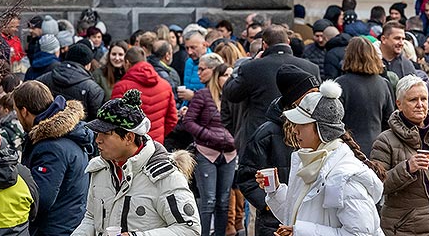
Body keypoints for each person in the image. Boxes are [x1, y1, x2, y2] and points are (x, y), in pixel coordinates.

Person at [256, 79, 384, 236]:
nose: (295, 130)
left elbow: (361, 234)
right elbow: (297, 215)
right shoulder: (309, 164)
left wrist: (299, 232)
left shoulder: (345, 176)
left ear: (321, 128)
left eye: (302, 124)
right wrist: (275, 190)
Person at [72, 90, 200, 236]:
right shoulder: (100, 168)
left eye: (105, 134)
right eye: (97, 133)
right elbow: (91, 218)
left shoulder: (166, 177)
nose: (98, 140)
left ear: (128, 137)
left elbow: (189, 230)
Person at [237, 65, 319, 236]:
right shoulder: (267, 133)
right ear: (296, 100)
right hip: (273, 221)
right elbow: (247, 176)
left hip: (310, 219)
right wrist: (269, 203)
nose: (316, 99)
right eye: (311, 94)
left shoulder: (320, 129)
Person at [371, 75, 429, 236]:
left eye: (424, 99)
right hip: (405, 228)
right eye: (413, 100)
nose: (420, 105)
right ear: (399, 104)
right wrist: (407, 168)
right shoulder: (385, 140)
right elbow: (376, 186)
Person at [13, 81, 94, 236]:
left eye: (16, 110)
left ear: (24, 111)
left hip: (55, 230)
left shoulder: (50, 148)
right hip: (69, 224)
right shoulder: (60, 135)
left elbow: (40, 198)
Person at [224, 25, 320, 152]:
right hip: (299, 135)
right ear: (288, 42)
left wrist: (249, 62)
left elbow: (231, 94)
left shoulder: (251, 68)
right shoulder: (311, 67)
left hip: (258, 134)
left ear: (264, 45)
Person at [181, 54, 237, 236]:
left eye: (231, 75)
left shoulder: (235, 98)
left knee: (223, 200)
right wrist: (207, 135)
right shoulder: (203, 95)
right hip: (206, 152)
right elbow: (188, 121)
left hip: (229, 153)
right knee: (209, 201)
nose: (229, 79)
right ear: (217, 77)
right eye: (225, 75)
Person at [335, 37, 395, 156]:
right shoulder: (383, 84)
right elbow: (389, 121)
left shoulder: (340, 84)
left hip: (347, 150)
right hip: (378, 149)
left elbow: (333, 122)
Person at [112, 46, 178, 143]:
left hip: (129, 145)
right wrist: (159, 134)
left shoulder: (122, 87)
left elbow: (114, 119)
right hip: (156, 144)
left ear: (127, 63)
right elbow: (172, 119)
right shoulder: (165, 85)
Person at [36, 41, 106, 120]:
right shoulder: (94, 90)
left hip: (46, 128)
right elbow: (96, 120)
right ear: (88, 65)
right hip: (80, 131)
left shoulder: (43, 79)